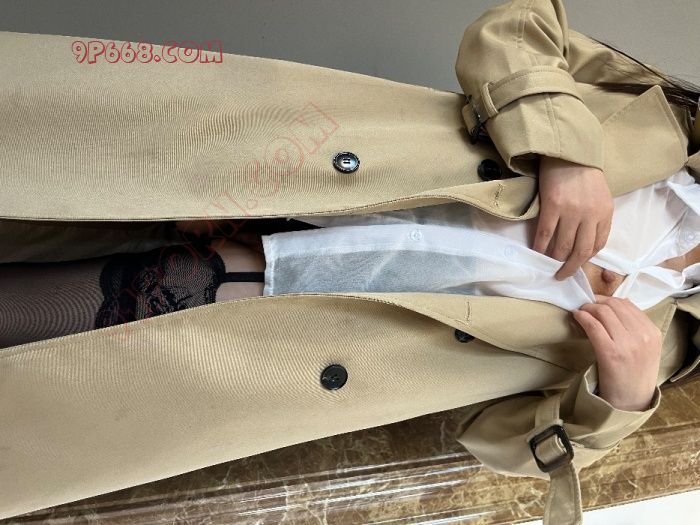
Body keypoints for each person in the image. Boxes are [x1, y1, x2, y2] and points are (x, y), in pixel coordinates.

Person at [0, 1, 698, 522]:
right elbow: (522, 25)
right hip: (267, 162)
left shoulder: (673, 345)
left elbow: (499, 445)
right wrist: (567, 152)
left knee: (45, 364)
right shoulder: (669, 128)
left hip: (270, 326)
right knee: (40, 174)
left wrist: (621, 401)